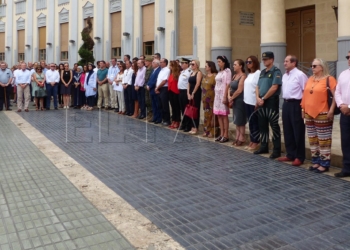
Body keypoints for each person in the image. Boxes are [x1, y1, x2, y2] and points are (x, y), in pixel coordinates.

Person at [301, 58, 337, 173]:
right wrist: (303, 108)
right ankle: (316, 161)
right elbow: (305, 95)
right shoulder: (310, 79)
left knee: (324, 140)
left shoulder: (329, 79)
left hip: (323, 113)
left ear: (321, 67)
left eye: (315, 66)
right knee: (313, 139)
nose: (312, 68)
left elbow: (336, 96)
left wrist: (331, 110)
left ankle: (324, 163)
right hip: (309, 113)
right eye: (312, 66)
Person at [278, 55, 308, 166]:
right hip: (286, 104)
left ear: (293, 63)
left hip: (297, 104)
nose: (284, 63)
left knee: (298, 131)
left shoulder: (300, 75)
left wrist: (303, 108)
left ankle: (299, 156)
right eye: (284, 61)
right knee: (288, 130)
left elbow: (305, 91)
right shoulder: (285, 76)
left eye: (287, 61)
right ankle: (290, 153)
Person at [254, 51, 282, 159]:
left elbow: (274, 87)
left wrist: (264, 98)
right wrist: (258, 98)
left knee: (274, 125)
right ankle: (264, 146)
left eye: (266, 59)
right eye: (263, 59)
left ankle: (276, 150)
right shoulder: (262, 72)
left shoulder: (276, 71)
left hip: (271, 101)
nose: (264, 61)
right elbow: (257, 86)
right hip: (261, 101)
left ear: (272, 60)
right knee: (262, 125)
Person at [334, 52, 350, 178]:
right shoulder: (343, 74)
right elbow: (337, 92)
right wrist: (341, 105)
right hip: (345, 113)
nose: (348, 59)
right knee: (345, 141)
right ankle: (347, 167)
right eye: (347, 57)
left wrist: (349, 107)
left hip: (348, 109)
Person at [243, 56, 261, 150]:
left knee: (255, 122)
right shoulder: (249, 74)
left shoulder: (258, 73)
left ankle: (256, 141)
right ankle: (252, 140)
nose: (248, 64)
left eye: (250, 62)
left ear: (254, 62)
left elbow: (258, 87)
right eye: (247, 62)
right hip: (247, 101)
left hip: (253, 101)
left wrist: (257, 101)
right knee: (250, 122)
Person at [229, 59, 247, 146]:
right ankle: (237, 136)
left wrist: (232, 97)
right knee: (236, 119)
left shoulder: (243, 76)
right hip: (234, 99)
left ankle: (242, 138)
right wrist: (229, 96)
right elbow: (230, 87)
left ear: (240, 66)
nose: (233, 66)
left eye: (235, 64)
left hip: (240, 99)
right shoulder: (234, 76)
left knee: (240, 119)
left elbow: (240, 90)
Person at [213, 56, 231, 143]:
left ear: (224, 62)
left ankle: (226, 134)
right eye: (217, 61)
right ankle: (221, 133)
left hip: (222, 94)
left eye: (219, 61)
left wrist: (225, 96)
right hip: (217, 95)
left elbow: (227, 84)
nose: (218, 63)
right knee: (219, 115)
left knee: (224, 115)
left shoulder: (227, 71)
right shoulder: (219, 71)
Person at [201, 61, 217, 137]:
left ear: (210, 67)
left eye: (206, 66)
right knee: (206, 115)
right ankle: (206, 130)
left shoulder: (214, 76)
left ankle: (212, 130)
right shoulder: (205, 76)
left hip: (212, 98)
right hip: (205, 98)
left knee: (212, 115)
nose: (205, 67)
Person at [187, 60, 202, 134]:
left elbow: (198, 84)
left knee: (195, 109)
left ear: (197, 65)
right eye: (191, 64)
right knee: (190, 109)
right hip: (190, 92)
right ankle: (192, 126)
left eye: (193, 64)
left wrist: (193, 93)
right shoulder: (191, 73)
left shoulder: (198, 73)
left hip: (196, 92)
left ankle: (195, 127)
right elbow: (188, 84)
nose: (191, 65)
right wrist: (188, 93)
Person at [155, 58, 171, 126]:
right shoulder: (161, 70)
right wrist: (156, 88)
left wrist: (157, 88)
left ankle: (167, 120)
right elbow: (158, 80)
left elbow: (164, 81)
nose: (160, 63)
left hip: (164, 88)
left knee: (165, 105)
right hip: (159, 88)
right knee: (160, 104)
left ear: (165, 63)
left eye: (161, 62)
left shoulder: (167, 70)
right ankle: (163, 118)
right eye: (160, 62)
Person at [178, 58, 192, 131]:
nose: (182, 64)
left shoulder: (189, 72)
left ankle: (187, 125)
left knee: (186, 109)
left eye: (183, 63)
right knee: (182, 109)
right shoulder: (182, 71)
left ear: (187, 64)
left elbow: (189, 83)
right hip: (180, 91)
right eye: (181, 63)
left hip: (185, 91)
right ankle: (183, 124)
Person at [168, 60, 181, 129]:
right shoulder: (171, 74)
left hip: (176, 92)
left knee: (176, 107)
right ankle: (173, 120)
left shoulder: (177, 74)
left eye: (171, 66)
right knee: (173, 107)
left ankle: (177, 121)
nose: (170, 67)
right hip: (170, 91)